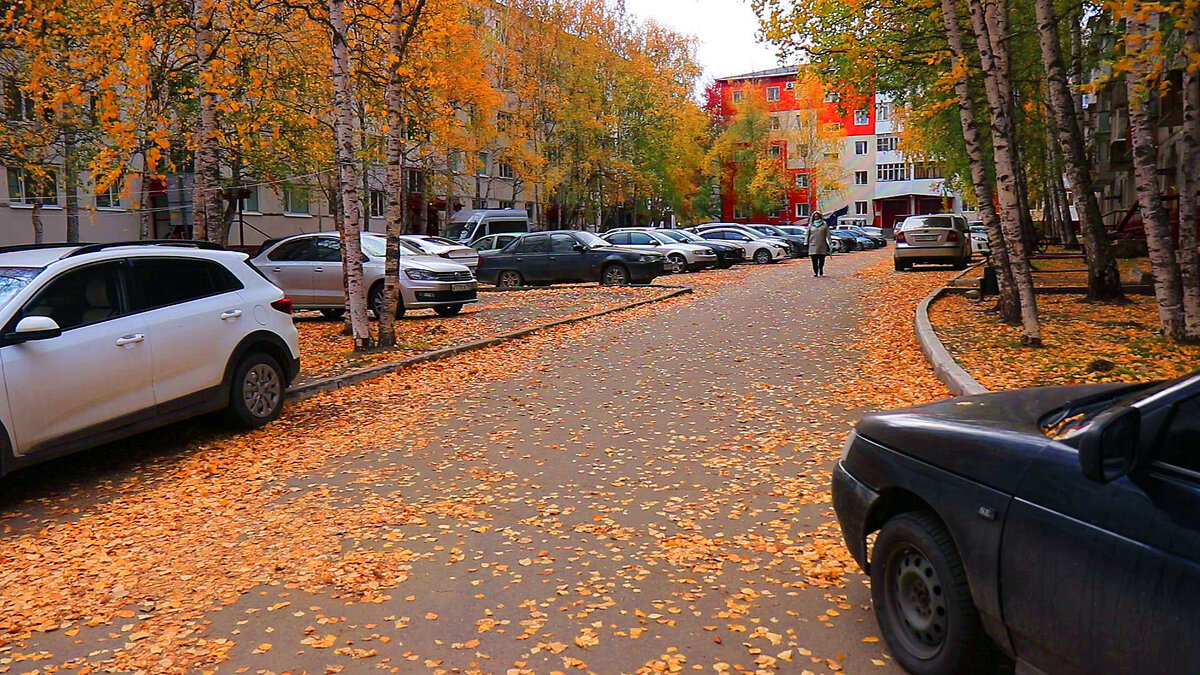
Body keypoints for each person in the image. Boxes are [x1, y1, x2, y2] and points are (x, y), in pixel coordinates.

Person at [808, 211, 832, 277]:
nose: (816, 217)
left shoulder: (824, 224)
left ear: (820, 216)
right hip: (813, 244)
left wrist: (830, 241)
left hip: (822, 245)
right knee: (814, 260)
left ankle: (821, 270)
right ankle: (815, 272)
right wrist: (806, 242)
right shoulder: (811, 225)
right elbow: (808, 234)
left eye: (817, 216)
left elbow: (828, 234)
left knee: (821, 259)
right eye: (815, 216)